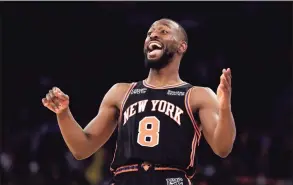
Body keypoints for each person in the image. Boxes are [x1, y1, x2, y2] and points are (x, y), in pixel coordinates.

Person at [42, 18, 236, 185]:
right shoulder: (120, 92)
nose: (153, 35)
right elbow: (82, 148)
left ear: (181, 46)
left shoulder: (197, 95)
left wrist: (225, 107)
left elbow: (222, 148)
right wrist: (64, 114)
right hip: (125, 178)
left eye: (164, 31)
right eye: (150, 33)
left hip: (170, 178)